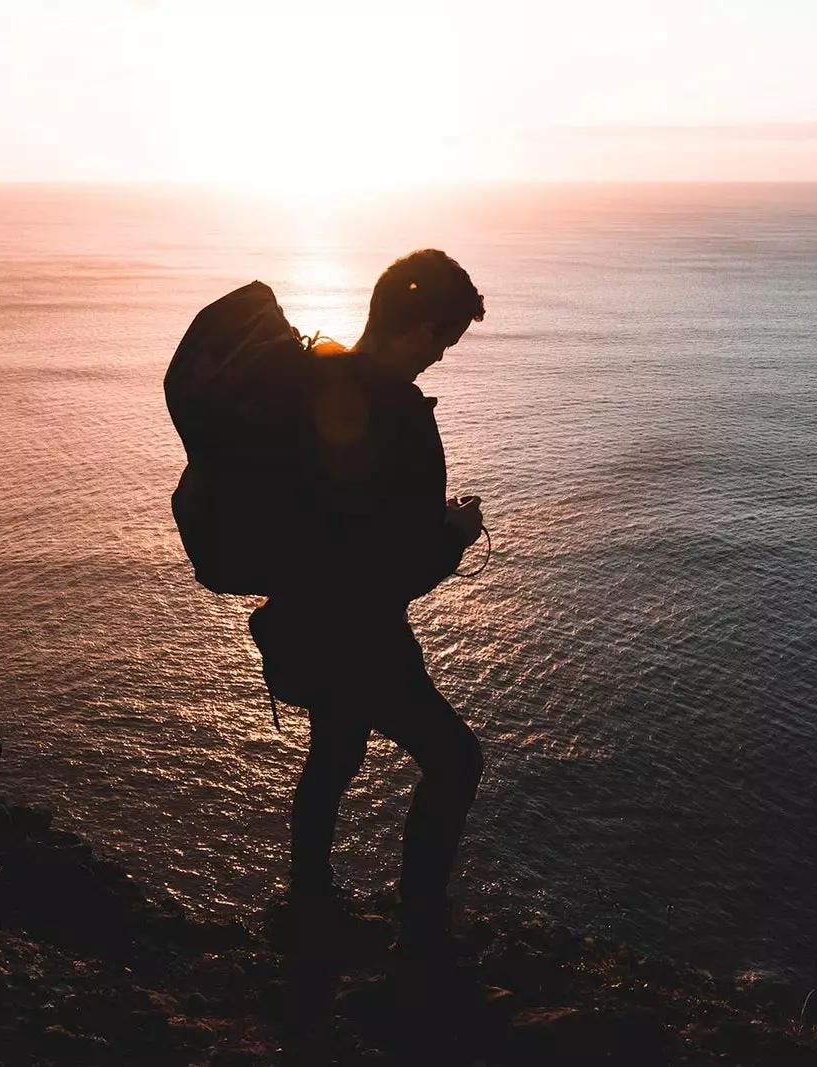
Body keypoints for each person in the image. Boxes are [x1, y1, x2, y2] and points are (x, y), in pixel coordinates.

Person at [248, 249, 488, 950]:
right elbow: (403, 568)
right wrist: (457, 534)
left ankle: (310, 899)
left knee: (336, 751)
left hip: (300, 617)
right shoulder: (406, 418)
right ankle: (420, 922)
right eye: (440, 339)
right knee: (454, 760)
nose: (440, 357)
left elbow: (335, 510)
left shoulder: (313, 376)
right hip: (362, 633)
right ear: (413, 325)